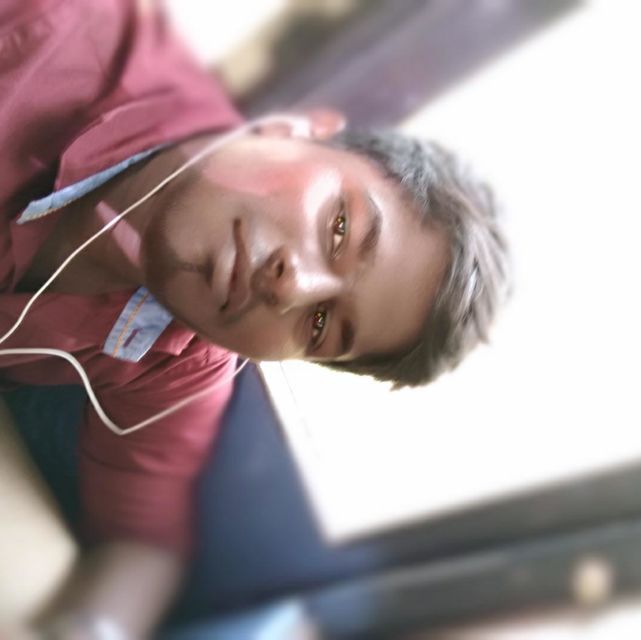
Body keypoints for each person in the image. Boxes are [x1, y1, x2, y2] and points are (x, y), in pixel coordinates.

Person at [0, 0, 508, 637]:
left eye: (320, 325)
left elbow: (143, 545)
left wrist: (89, 628)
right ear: (295, 129)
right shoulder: (51, 28)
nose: (293, 286)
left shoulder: (177, 359)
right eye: (339, 227)